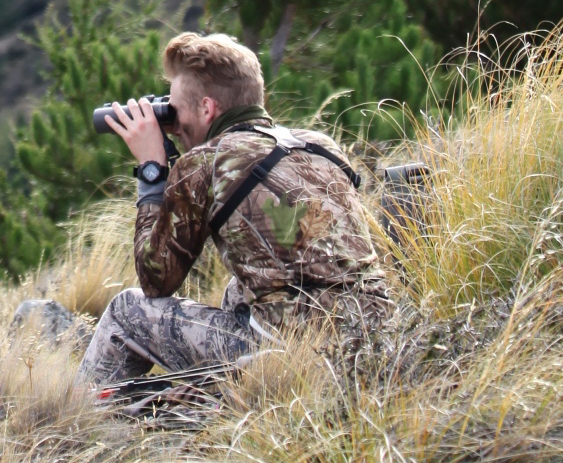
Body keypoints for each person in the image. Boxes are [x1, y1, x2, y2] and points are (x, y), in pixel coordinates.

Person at [78, 32, 392, 387]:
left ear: (208, 108)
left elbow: (156, 279)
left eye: (175, 109)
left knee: (126, 312)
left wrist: (153, 168)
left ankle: (81, 421)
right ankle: (226, 403)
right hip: (373, 335)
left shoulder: (204, 163)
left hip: (296, 353)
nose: (174, 123)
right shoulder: (322, 146)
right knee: (238, 288)